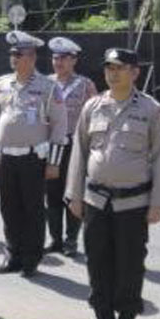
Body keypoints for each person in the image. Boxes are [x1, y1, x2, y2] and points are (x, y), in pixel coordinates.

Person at [66, 48, 160, 319]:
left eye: (120, 67)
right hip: (96, 201)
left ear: (135, 72)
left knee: (130, 265)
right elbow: (79, 152)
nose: (112, 73)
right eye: (108, 68)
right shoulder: (92, 106)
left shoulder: (151, 110)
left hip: (133, 204)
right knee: (97, 262)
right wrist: (74, 196)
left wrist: (159, 202)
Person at [0, 31, 67, 278]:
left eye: (18, 54)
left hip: (34, 158)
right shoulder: (2, 84)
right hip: (6, 158)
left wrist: (53, 162)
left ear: (32, 57)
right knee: (8, 207)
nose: (13, 58)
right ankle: (13, 255)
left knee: (32, 209)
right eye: (12, 54)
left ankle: (31, 259)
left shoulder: (47, 87)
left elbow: (60, 125)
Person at [46, 36, 97, 256]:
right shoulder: (45, 83)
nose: (58, 62)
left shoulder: (85, 85)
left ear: (74, 60)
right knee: (52, 195)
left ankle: (71, 241)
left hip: (75, 146)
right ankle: (55, 239)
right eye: (55, 57)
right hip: (51, 147)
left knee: (73, 193)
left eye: (64, 58)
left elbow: (96, 117)